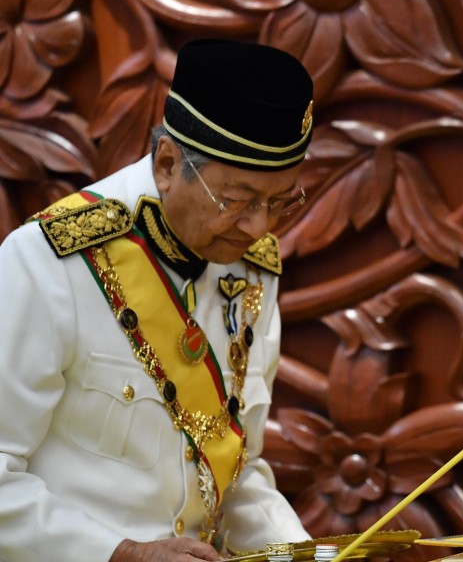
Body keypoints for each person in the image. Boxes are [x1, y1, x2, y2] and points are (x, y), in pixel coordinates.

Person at [0, 39, 316, 561]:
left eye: (280, 201)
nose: (259, 226)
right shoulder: (47, 263)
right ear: (168, 163)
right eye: (236, 200)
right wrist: (120, 553)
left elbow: (234, 474)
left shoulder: (252, 266)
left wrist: (306, 554)